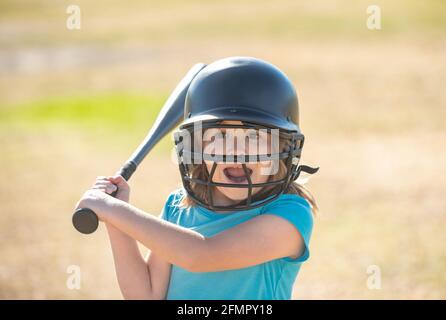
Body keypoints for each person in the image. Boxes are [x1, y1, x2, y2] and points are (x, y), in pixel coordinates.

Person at [75, 56, 320, 299]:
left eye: (254, 137)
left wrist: (111, 209)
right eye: (219, 136)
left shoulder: (290, 214)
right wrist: (117, 216)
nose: (235, 151)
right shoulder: (179, 206)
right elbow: (146, 295)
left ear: (283, 148)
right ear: (197, 146)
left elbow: (200, 254)